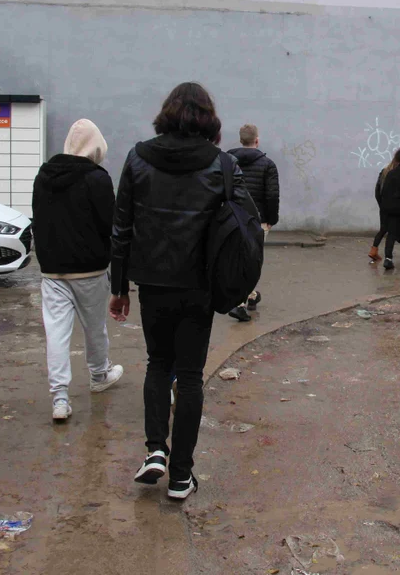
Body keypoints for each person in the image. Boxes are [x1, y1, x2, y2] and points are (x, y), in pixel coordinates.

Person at [109, 82, 257, 502]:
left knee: (158, 363)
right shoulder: (223, 164)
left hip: (152, 282)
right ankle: (181, 476)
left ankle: (155, 449)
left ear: (167, 113)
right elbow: (245, 225)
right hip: (199, 285)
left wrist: (119, 287)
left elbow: (121, 228)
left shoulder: (138, 157)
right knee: (189, 375)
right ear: (208, 118)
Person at [32, 119, 124, 422]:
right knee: (94, 327)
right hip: (90, 269)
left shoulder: (43, 176)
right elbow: (109, 224)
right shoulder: (97, 179)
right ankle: (99, 375)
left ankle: (60, 398)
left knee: (56, 333)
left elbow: (39, 218)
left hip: (53, 270)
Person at [226, 124, 280, 322]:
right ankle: (240, 302)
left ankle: (250, 295)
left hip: (231, 219)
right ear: (256, 140)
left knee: (238, 258)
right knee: (252, 260)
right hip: (258, 221)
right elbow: (272, 195)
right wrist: (271, 219)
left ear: (241, 140)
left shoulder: (226, 162)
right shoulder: (268, 164)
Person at [369, 167, 388, 264]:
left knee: (383, 229)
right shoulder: (398, 172)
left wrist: (381, 205)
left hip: (384, 206)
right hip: (396, 206)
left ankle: (373, 250)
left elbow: (377, 191)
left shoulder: (384, 172)